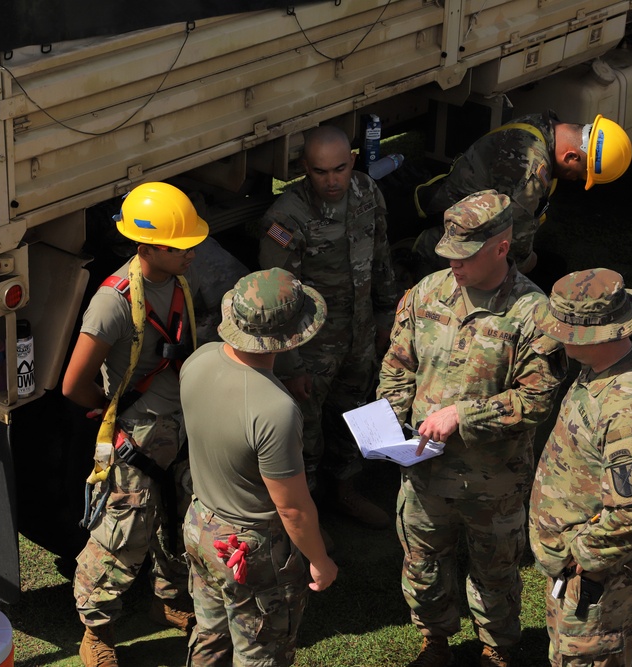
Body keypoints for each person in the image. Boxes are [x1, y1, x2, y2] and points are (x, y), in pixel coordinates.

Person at [377, 190, 567, 667]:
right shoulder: (427, 293)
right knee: (423, 563)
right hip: (423, 472)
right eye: (448, 254)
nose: (453, 266)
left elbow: (536, 399)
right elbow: (398, 366)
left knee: (495, 571)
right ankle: (435, 641)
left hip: (493, 480)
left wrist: (463, 415)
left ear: (501, 249)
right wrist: (394, 421)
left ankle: (496, 648)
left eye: (464, 256)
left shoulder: (533, 314)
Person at [62, 181, 209, 667]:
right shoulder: (115, 301)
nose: (192, 253)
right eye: (180, 246)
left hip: (182, 424)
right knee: (122, 533)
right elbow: (73, 384)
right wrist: (111, 411)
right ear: (148, 246)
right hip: (137, 437)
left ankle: (167, 599)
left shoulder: (180, 280)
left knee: (181, 521)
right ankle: (95, 631)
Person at [180, 268, 338, 666]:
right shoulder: (275, 410)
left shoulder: (197, 360)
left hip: (201, 525)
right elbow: (293, 509)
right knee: (262, 653)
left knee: (209, 636)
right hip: (251, 550)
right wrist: (320, 561)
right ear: (290, 336)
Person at [257, 124, 399, 528]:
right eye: (321, 172)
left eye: (340, 168)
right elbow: (275, 302)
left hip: (359, 334)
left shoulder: (367, 193)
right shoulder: (286, 218)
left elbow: (381, 256)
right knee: (305, 433)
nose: (333, 180)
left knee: (354, 413)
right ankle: (307, 514)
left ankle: (345, 491)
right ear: (304, 169)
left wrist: (388, 314)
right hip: (312, 347)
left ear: (352, 161)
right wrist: (291, 366)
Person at [528, 268, 632, 667]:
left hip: (597, 580)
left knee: (587, 659)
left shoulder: (628, 409)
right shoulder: (601, 370)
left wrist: (580, 559)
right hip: (576, 570)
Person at [412, 112, 632, 274]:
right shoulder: (530, 170)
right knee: (547, 272)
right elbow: (516, 242)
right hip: (456, 233)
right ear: (571, 157)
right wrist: (531, 266)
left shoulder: (544, 124)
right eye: (579, 174)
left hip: (460, 205)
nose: (575, 179)